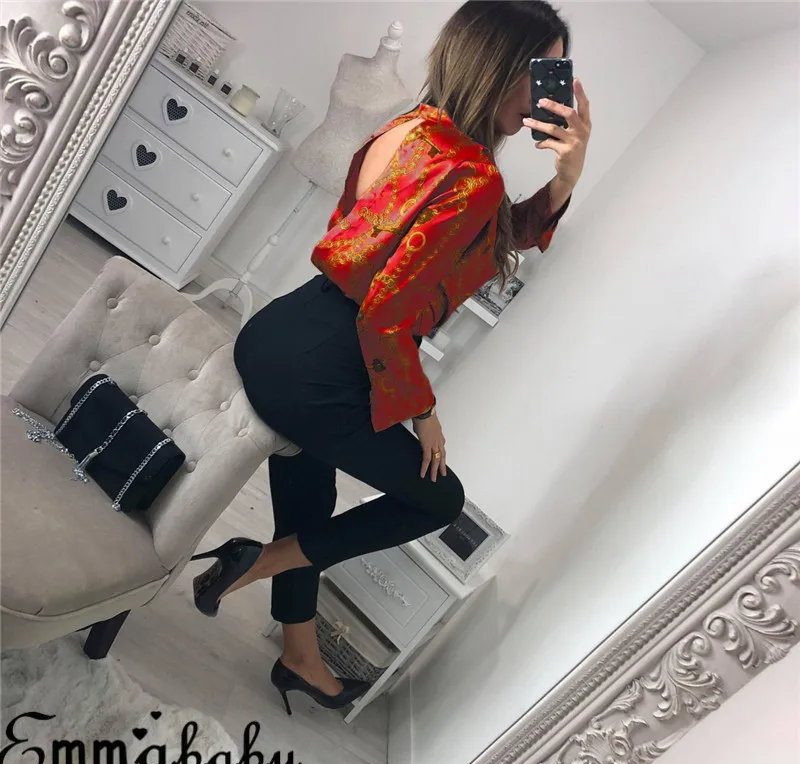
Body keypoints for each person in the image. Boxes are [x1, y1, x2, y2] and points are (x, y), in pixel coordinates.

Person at [190, 0, 591, 715]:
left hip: (281, 332)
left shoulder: (411, 127)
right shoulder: (472, 175)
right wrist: (424, 413)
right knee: (437, 499)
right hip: (325, 368)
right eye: (537, 73)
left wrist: (565, 177)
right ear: (496, 63)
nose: (543, 94)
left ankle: (300, 657)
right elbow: (386, 313)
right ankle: (256, 563)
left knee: (311, 500)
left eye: (552, 77)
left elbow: (480, 238)